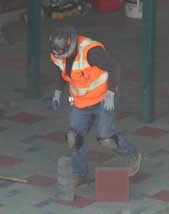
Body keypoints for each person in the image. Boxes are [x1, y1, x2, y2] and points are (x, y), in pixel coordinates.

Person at [48, 26, 142, 185]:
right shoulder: (58, 53)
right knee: (74, 138)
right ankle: (80, 174)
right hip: (81, 102)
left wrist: (112, 92)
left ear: (70, 44)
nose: (62, 56)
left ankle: (133, 154)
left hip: (103, 98)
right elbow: (61, 70)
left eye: (64, 53)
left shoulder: (90, 51)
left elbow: (114, 67)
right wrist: (58, 91)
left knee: (106, 139)